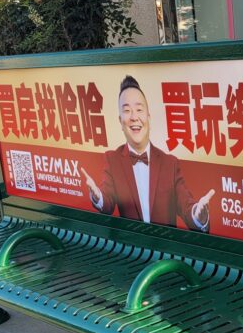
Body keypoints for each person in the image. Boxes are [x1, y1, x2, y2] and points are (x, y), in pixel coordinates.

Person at [81, 75, 214, 230]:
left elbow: (186, 205)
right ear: (120, 121)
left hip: (165, 249)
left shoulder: (169, 163)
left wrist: (199, 215)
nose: (134, 117)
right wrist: (97, 197)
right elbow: (107, 202)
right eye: (127, 111)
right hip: (132, 247)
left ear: (148, 117)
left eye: (139, 109)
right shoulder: (113, 159)